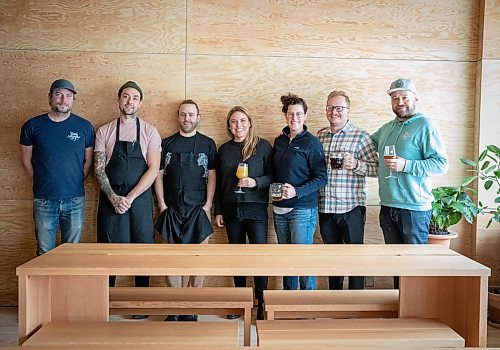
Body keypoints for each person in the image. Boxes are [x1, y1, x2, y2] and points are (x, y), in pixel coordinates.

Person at [371, 78, 448, 287]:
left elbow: (441, 164)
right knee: (396, 266)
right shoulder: (387, 128)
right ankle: (401, 310)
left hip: (414, 210)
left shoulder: (425, 125)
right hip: (388, 207)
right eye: (395, 98)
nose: (400, 102)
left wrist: (406, 165)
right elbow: (365, 142)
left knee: (415, 267)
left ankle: (417, 314)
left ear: (415, 98)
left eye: (404, 97)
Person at [94, 81, 161, 303]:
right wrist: (114, 197)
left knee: (143, 250)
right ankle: (105, 300)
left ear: (140, 102)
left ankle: (142, 301)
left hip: (139, 200)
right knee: (109, 250)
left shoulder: (150, 132)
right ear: (118, 100)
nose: (129, 101)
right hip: (110, 199)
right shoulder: (105, 131)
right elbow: (99, 169)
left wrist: (130, 198)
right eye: (125, 96)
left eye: (134, 97)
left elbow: (153, 169)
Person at [154, 99, 217, 322]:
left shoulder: (208, 144)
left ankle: (191, 307)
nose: (187, 119)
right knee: (171, 261)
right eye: (183, 115)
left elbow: (212, 175)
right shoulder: (166, 144)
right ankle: (175, 307)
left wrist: (208, 205)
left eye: (191, 115)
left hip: (199, 211)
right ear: (178, 117)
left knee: (197, 261)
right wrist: (161, 204)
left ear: (198, 117)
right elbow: (158, 175)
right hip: (171, 210)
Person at [20, 79, 95, 256]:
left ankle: (69, 285)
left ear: (73, 100)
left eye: (68, 95)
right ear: (50, 97)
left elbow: (88, 162)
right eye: (58, 94)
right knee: (45, 252)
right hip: (44, 200)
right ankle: (48, 285)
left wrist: (74, 181)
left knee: (71, 254)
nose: (63, 99)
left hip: (75, 200)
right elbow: (26, 161)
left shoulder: (84, 127)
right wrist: (44, 181)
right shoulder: (32, 126)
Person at [215, 106, 273, 320]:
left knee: (260, 257)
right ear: (229, 126)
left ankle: (261, 302)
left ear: (249, 122)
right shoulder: (224, 149)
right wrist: (218, 210)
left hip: (256, 208)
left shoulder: (263, 146)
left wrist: (255, 182)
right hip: (231, 209)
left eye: (241, 121)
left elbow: (272, 176)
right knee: (236, 257)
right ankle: (241, 301)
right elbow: (220, 183)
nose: (237, 125)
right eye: (233, 122)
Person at [317, 90, 378, 290]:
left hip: (352, 207)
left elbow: (377, 168)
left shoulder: (361, 136)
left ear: (348, 111)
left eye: (339, 108)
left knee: (355, 259)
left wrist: (356, 165)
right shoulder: (320, 136)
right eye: (330, 107)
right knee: (331, 260)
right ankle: (335, 299)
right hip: (325, 206)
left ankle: (356, 300)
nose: (334, 112)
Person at [272, 93, 327, 290]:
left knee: (302, 261)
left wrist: (297, 191)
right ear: (285, 115)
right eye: (290, 114)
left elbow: (322, 178)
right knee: (287, 262)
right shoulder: (279, 141)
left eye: (298, 114)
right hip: (279, 209)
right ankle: (288, 305)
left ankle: (307, 308)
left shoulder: (312, 143)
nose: (294, 118)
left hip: (302, 210)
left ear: (305, 116)